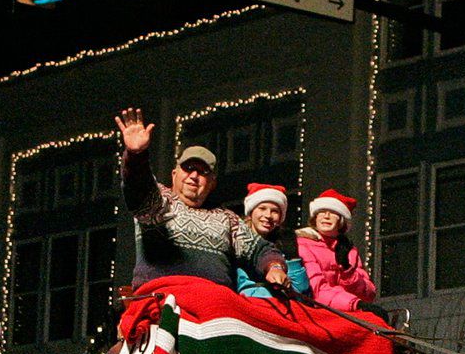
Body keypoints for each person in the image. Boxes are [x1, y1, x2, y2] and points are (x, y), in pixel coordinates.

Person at [116, 109, 290, 294]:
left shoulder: (226, 219)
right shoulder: (158, 202)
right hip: (163, 300)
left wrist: (274, 267)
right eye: (188, 168)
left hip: (215, 304)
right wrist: (136, 156)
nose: (193, 176)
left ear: (212, 183)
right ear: (174, 175)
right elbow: (137, 185)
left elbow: (260, 249)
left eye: (202, 172)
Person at [295, 189, 381, 313]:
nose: (326, 216)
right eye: (322, 212)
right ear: (315, 217)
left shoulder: (348, 250)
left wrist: (347, 271)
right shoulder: (302, 244)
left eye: (333, 212)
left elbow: (368, 294)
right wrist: (354, 304)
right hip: (314, 311)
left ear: (341, 220)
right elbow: (316, 290)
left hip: (343, 311)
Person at [234, 183, 310, 299]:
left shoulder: (284, 242)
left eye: (275, 211)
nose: (268, 215)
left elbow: (300, 290)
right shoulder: (237, 239)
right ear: (251, 211)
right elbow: (243, 286)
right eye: (262, 208)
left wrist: (292, 257)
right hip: (254, 304)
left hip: (283, 306)